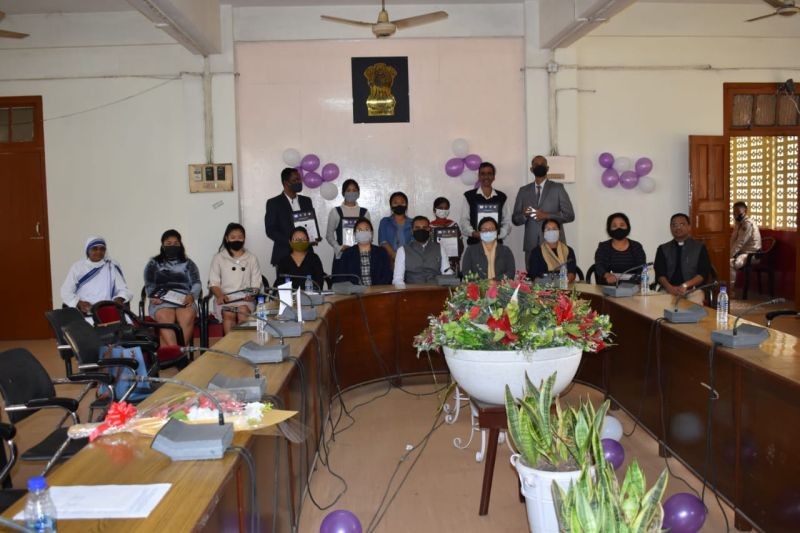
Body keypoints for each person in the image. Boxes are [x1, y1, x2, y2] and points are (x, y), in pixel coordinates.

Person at [143, 229, 201, 347]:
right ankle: (177, 353)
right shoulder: (154, 263)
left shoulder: (188, 263)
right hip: (161, 299)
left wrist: (192, 295)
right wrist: (154, 296)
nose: (172, 246)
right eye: (168, 243)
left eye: (176, 243)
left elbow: (196, 282)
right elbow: (149, 283)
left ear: (180, 245)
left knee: (187, 315)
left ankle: (179, 351)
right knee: (165, 316)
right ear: (163, 245)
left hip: (184, 299)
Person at [512, 155, 575, 256]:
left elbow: (569, 215)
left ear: (547, 168)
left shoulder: (558, 188)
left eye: (542, 164)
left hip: (555, 244)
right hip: (531, 246)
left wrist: (546, 215)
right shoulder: (523, 191)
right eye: (536, 165)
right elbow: (515, 219)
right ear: (531, 169)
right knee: (532, 267)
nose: (539, 166)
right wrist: (524, 215)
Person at [208, 223, 263, 335]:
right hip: (226, 299)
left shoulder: (252, 258)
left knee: (243, 312)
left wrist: (252, 294)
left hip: (245, 300)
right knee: (229, 314)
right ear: (227, 238)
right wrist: (220, 295)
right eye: (233, 237)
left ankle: (243, 344)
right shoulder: (219, 257)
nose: (237, 239)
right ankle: (231, 345)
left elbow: (256, 283)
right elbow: (214, 282)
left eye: (240, 237)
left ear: (244, 238)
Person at [60, 235, 132, 319]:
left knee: (126, 323)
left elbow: (123, 290)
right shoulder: (77, 267)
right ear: (88, 251)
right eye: (95, 249)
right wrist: (79, 303)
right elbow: (66, 291)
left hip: (107, 309)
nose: (99, 252)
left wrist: (119, 299)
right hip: (85, 312)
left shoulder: (111, 266)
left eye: (102, 249)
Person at [265, 167, 319, 271]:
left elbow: (311, 223)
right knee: (285, 282)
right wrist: (292, 242)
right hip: (284, 254)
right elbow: (270, 230)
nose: (299, 182)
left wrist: (313, 237)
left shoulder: (306, 201)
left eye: (299, 179)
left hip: (306, 254)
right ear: (286, 183)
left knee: (308, 281)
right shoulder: (274, 203)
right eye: (295, 180)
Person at [654, 213, 712, 303]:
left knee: (693, 308)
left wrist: (685, 285)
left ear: (689, 227)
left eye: (682, 224)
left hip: (692, 290)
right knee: (658, 307)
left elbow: (702, 274)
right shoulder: (663, 248)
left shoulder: (699, 247)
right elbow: (660, 273)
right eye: (674, 225)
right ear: (670, 228)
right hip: (668, 289)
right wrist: (669, 288)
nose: (678, 228)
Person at [392, 216, 453, 287]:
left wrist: (449, 281)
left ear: (429, 230)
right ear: (412, 231)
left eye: (424, 228)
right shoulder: (402, 250)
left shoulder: (439, 248)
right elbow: (398, 279)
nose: (421, 230)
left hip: (435, 289)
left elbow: (447, 273)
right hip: (412, 291)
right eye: (417, 228)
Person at [460, 162, 511, 246]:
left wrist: (498, 235)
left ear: (494, 177)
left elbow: (507, 221)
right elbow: (464, 220)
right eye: (483, 174)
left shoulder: (502, 197)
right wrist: (474, 233)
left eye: (489, 174)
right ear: (479, 176)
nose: (486, 177)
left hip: (496, 245)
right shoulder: (468, 196)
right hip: (475, 244)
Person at [325, 179, 370, 274]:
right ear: (343, 193)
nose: (351, 193)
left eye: (354, 190)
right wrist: (338, 247)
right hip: (342, 255)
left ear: (358, 193)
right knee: (341, 281)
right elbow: (329, 235)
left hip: (361, 255)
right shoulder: (335, 212)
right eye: (348, 190)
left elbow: (369, 234)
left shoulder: (364, 212)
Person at [334, 217, 392, 286]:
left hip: (377, 291)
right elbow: (341, 278)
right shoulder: (347, 254)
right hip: (355, 291)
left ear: (372, 233)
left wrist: (374, 290)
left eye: (366, 229)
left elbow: (387, 276)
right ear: (354, 234)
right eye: (360, 230)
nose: (363, 232)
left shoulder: (381, 252)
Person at [593, 213, 646, 285]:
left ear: (628, 227)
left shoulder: (636, 247)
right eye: (614, 226)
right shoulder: (603, 247)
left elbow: (641, 268)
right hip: (608, 286)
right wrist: (607, 275)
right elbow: (599, 266)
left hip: (633, 287)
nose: (618, 228)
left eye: (622, 225)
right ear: (609, 229)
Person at [527, 219, 577, 284]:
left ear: (559, 231)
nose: (551, 232)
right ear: (543, 233)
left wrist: (562, 283)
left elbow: (572, 273)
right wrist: (551, 284)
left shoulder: (568, 250)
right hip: (544, 287)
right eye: (548, 229)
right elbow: (534, 275)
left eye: (554, 229)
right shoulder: (536, 252)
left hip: (565, 286)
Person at [729, 201, 762, 287]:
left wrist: (730, 255)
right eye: (734, 212)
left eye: (738, 212)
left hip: (751, 255)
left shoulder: (747, 224)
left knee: (730, 263)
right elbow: (733, 240)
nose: (736, 215)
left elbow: (740, 242)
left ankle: (730, 289)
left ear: (745, 211)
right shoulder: (739, 223)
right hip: (742, 253)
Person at [430, 196, 463, 273]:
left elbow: (460, 245)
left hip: (452, 262)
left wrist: (456, 255)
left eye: (446, 208)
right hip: (435, 262)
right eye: (440, 208)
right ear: (434, 209)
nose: (443, 210)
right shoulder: (430, 227)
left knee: (452, 280)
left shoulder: (453, 225)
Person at [378, 191, 412, 263]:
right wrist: (395, 256)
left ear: (406, 205)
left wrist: (404, 259)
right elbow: (383, 242)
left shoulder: (412, 223)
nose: (399, 205)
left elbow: (414, 243)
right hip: (388, 260)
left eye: (402, 202)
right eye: (395, 203)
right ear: (391, 206)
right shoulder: (385, 222)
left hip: (409, 260)